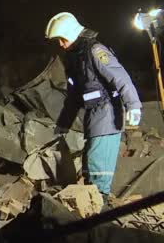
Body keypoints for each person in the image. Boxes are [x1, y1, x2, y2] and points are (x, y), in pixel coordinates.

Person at [45, 12, 142, 201]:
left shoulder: (95, 50)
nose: (60, 44)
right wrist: (63, 123)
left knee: (98, 171)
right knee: (90, 167)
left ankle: (99, 212)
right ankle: (92, 211)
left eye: (62, 39)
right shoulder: (74, 59)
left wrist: (134, 105)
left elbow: (120, 77)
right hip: (94, 117)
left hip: (107, 116)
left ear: (71, 33)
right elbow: (74, 96)